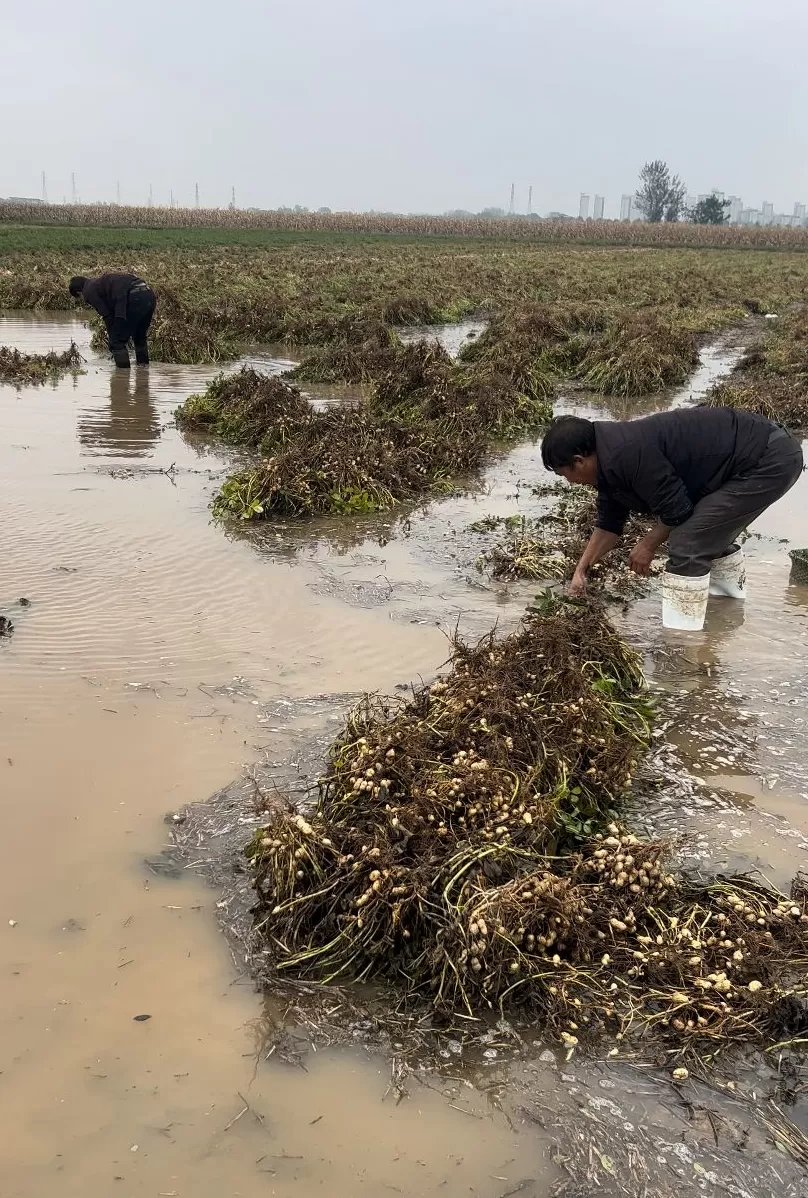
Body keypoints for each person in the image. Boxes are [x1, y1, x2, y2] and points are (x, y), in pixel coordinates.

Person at [540, 408, 803, 630]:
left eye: (565, 475)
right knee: (708, 531)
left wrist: (647, 545)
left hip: (768, 458)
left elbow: (677, 510)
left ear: (579, 461)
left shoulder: (626, 452)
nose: (571, 483)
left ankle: (682, 647)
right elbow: (609, 525)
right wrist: (581, 569)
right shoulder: (608, 459)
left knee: (689, 541)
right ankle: (727, 615)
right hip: (748, 457)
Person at [69, 273, 156, 369]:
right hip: (148, 294)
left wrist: (113, 340)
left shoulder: (88, 291)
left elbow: (108, 316)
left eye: (79, 298)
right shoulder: (98, 283)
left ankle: (122, 375)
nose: (83, 300)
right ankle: (143, 370)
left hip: (134, 297)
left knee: (116, 342)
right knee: (139, 337)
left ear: (79, 292)